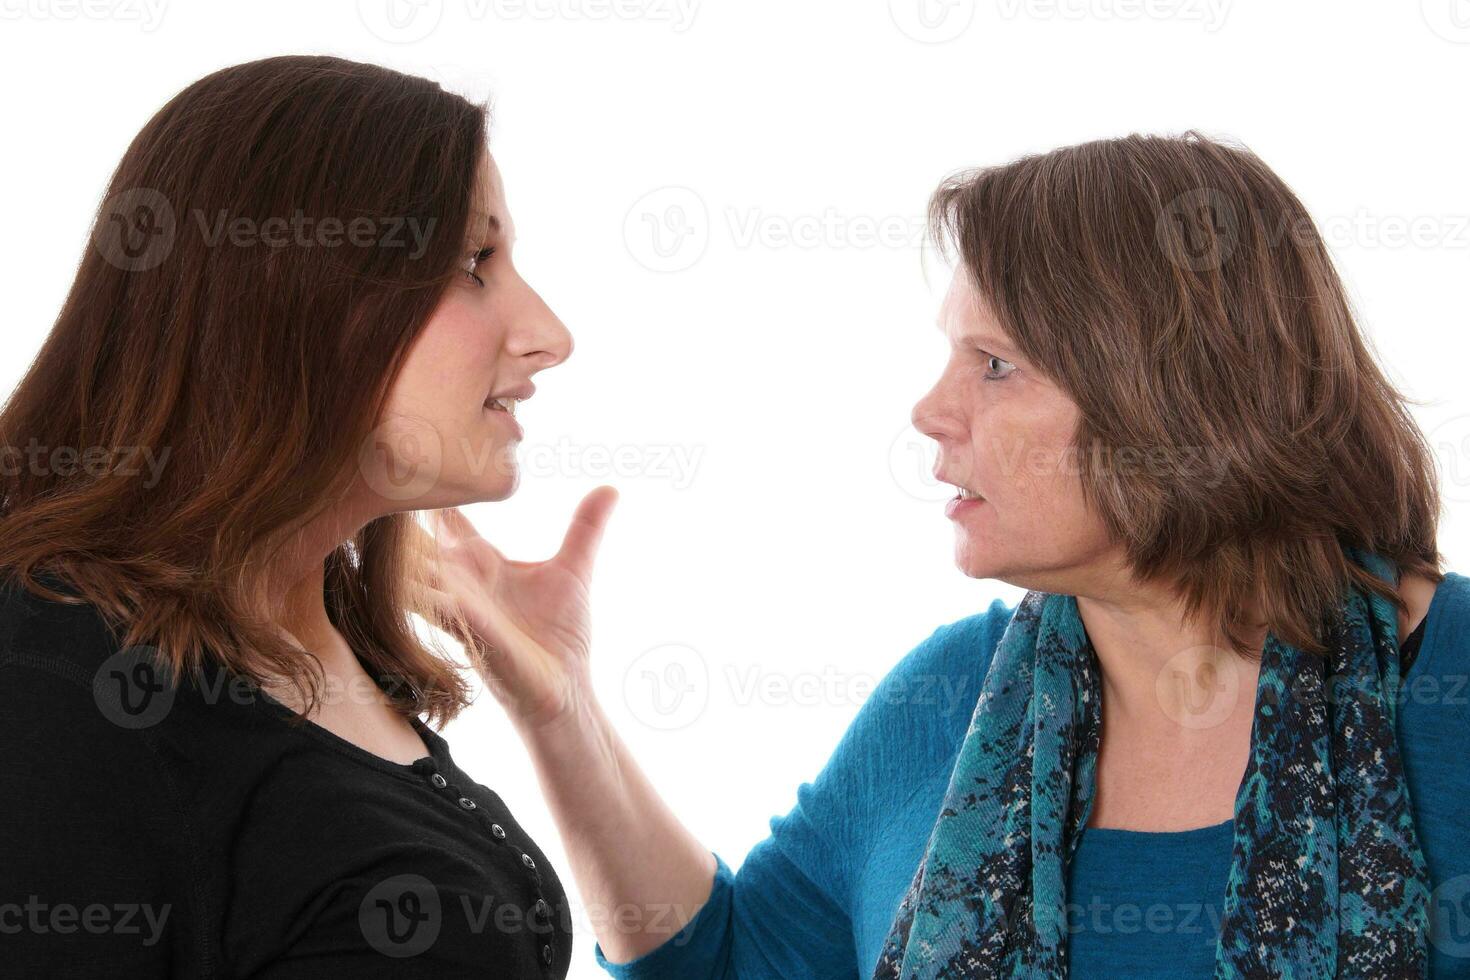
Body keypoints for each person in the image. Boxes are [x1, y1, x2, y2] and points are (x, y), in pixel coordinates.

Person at [420, 133, 1470, 977]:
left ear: (1176, 394)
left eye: (998, 365)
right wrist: (564, 712)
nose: (931, 411)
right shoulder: (952, 695)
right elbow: (733, 961)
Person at [1, 55, 578, 977]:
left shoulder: (327, 639)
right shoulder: (51, 683)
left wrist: (563, 714)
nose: (550, 333)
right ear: (292, 294)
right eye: (474, 262)